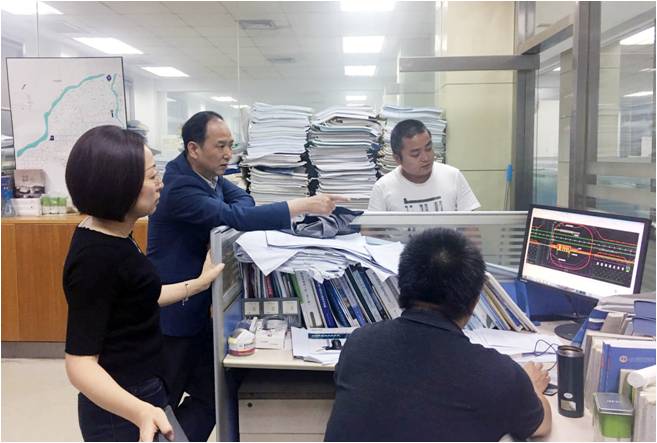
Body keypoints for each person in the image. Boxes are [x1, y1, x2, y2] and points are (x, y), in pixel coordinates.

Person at [147, 111, 348, 441]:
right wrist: (303, 205)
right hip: (173, 314)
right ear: (193, 148)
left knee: (212, 393)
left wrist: (234, 213)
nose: (228, 153)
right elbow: (235, 216)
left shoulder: (209, 177)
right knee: (163, 403)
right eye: (220, 146)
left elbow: (243, 201)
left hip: (199, 307)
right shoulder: (180, 186)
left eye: (231, 145)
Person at [63, 125, 225, 442]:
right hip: (121, 408)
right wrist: (139, 411)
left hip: (145, 387)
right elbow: (80, 365)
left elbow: (139, 295)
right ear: (119, 186)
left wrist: (198, 284)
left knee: (212, 394)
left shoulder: (113, 232)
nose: (160, 183)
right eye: (152, 177)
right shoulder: (96, 258)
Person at [324, 228, 552, 442]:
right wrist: (531, 388)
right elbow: (542, 426)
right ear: (474, 301)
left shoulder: (359, 343)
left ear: (402, 286)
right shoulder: (499, 374)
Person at [368, 119, 480, 212]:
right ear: (397, 159)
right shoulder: (383, 188)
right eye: (415, 154)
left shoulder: (453, 176)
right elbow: (372, 231)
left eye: (428, 148)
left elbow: (470, 227)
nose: (426, 158)